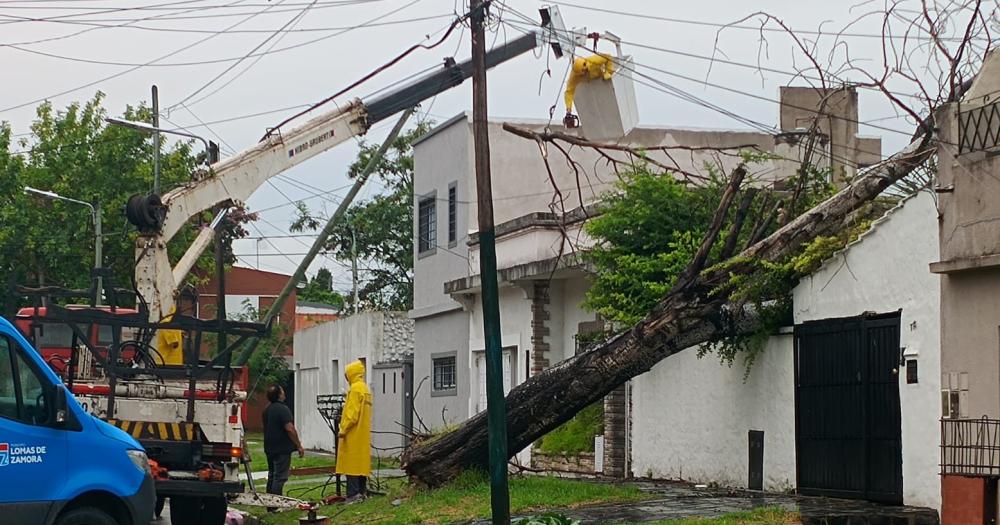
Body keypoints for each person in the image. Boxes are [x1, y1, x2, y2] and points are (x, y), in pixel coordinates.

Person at [335, 360, 372, 501]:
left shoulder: (355, 390)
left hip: (353, 434)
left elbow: (352, 414)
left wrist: (343, 429)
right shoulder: (365, 389)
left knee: (351, 465)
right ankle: (362, 492)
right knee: (361, 464)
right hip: (363, 433)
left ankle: (353, 494)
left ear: (352, 374)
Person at [262, 385, 304, 508]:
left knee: (272, 475)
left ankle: (269, 504)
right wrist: (299, 445)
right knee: (280, 477)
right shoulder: (283, 409)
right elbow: (289, 429)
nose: (284, 393)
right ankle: (276, 505)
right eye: (282, 391)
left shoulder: (266, 409)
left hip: (269, 448)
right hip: (282, 449)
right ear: (279, 395)